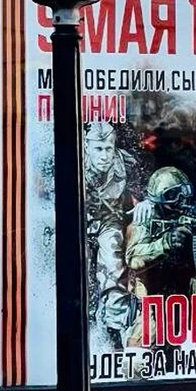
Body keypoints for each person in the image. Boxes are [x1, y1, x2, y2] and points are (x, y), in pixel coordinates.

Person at [125, 166, 196, 347]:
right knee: (137, 357)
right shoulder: (145, 221)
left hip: (185, 298)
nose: (180, 200)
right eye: (172, 195)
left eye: (183, 192)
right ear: (158, 199)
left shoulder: (195, 222)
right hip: (154, 300)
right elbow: (133, 259)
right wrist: (166, 243)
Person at [83, 122, 153, 347]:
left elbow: (144, 190)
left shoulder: (126, 163)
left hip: (109, 221)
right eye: (98, 149)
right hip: (76, 221)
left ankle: (115, 326)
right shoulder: (70, 162)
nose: (104, 156)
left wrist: (145, 202)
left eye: (108, 149)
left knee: (113, 267)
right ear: (86, 147)